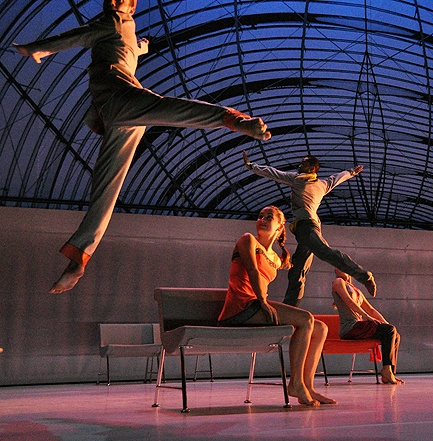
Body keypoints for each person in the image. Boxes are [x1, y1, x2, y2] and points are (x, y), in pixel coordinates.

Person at [13, 0, 271, 294]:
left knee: (174, 110)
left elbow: (78, 36)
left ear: (132, 7)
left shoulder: (113, 21)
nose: (112, 2)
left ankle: (236, 120)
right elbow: (127, 50)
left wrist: (37, 48)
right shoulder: (122, 31)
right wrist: (142, 47)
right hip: (120, 116)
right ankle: (79, 258)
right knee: (106, 188)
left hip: (121, 102)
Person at [218, 205, 337, 406]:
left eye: (269, 217)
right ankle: (295, 384)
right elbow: (253, 270)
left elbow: (299, 261)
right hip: (241, 308)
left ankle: (307, 386)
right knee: (306, 319)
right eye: (260, 216)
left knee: (320, 328)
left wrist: (312, 229)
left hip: (257, 308)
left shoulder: (276, 257)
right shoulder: (247, 240)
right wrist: (263, 301)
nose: (262, 219)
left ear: (281, 226)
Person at [243, 150, 376, 307]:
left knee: (325, 252)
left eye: (303, 164)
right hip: (308, 228)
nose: (299, 166)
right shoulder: (323, 184)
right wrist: (352, 172)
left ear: (312, 168)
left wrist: (251, 166)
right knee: (298, 270)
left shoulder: (297, 179)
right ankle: (290, 308)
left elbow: (274, 173)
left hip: (306, 227)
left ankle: (364, 276)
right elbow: (338, 177)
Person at [332, 268, 403, 384]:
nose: (337, 269)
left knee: (394, 334)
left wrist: (386, 323)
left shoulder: (356, 290)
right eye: (336, 268)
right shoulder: (338, 282)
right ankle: (386, 370)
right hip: (350, 328)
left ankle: (389, 372)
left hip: (358, 327)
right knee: (389, 330)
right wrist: (366, 316)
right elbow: (349, 301)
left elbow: (371, 310)